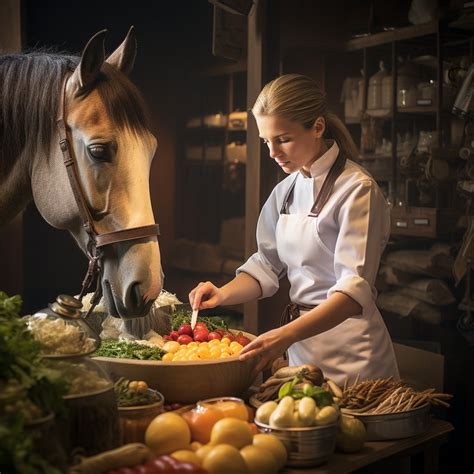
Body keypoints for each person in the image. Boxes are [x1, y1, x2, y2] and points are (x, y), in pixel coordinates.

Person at [189, 73, 399, 386]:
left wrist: (285, 335)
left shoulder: (358, 190)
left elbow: (354, 294)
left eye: (283, 139)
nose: (273, 152)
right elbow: (265, 266)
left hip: (354, 356)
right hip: (302, 352)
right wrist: (222, 294)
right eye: (266, 141)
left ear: (317, 127)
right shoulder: (285, 190)